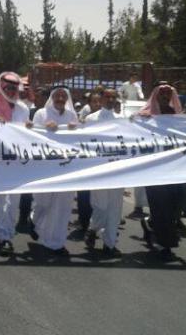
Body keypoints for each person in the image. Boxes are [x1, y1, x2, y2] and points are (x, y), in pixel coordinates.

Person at [137, 83, 185, 260]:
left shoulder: (178, 116)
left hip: (176, 170)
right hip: (155, 171)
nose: (165, 97)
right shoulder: (145, 116)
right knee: (159, 207)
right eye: (162, 94)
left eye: (168, 94)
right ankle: (164, 243)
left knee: (174, 207)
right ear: (156, 96)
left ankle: (150, 225)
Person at [29, 86, 78, 256]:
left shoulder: (72, 115)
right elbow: (30, 135)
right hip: (46, 166)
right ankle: (35, 221)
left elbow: (80, 139)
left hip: (66, 166)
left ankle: (55, 242)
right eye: (57, 96)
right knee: (44, 202)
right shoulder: (41, 114)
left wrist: (76, 128)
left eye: (63, 96)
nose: (60, 98)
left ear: (67, 99)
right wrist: (44, 127)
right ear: (52, 97)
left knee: (63, 207)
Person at [0, 72, 30, 255]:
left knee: (14, 202)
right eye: (8, 88)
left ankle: (4, 231)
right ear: (1, 87)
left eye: (14, 88)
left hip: (17, 161)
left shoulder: (23, 109)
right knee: (1, 199)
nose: (12, 91)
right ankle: (5, 236)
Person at [85, 88, 126, 257]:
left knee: (115, 209)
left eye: (113, 97)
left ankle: (109, 244)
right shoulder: (90, 119)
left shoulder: (122, 120)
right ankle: (93, 229)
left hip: (117, 170)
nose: (110, 100)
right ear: (100, 99)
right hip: (98, 170)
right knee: (100, 207)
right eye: (107, 97)